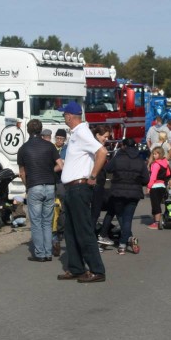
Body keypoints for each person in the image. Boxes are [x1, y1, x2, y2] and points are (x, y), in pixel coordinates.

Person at [55, 101, 107, 283]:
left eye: (64, 115)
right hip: (72, 188)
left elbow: (102, 152)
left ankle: (97, 270)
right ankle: (76, 268)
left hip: (79, 187)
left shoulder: (83, 132)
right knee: (70, 231)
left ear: (70, 116)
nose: (64, 118)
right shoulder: (77, 133)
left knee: (84, 230)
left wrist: (93, 175)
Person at [17, 118, 61, 262]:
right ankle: (48, 252)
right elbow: (60, 165)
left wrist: (27, 185)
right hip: (49, 185)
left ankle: (40, 253)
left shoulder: (23, 149)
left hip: (34, 185)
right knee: (47, 222)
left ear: (28, 131)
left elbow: (22, 172)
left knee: (36, 222)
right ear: (41, 130)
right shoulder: (49, 146)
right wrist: (50, 171)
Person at [103, 137, 146, 254]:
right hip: (134, 193)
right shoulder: (140, 160)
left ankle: (128, 239)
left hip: (117, 192)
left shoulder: (117, 158)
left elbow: (107, 169)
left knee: (121, 217)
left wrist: (110, 183)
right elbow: (146, 179)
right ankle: (123, 244)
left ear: (123, 146)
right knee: (128, 218)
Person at [52, 128, 68, 256]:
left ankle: (61, 230)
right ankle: (53, 230)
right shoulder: (51, 147)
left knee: (62, 206)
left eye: (61, 139)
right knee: (52, 206)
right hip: (52, 180)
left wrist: (51, 169)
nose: (59, 141)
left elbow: (62, 163)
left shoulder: (66, 149)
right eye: (57, 138)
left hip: (61, 180)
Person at [146, 146, 169, 230]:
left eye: (156, 154)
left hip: (155, 186)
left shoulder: (155, 164)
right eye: (153, 154)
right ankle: (157, 221)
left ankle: (156, 223)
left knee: (155, 205)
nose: (154, 155)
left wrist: (149, 186)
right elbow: (167, 174)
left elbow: (153, 177)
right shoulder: (165, 162)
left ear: (160, 154)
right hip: (162, 185)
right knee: (158, 203)